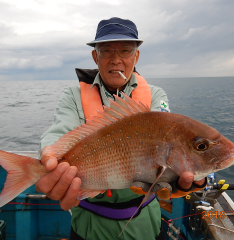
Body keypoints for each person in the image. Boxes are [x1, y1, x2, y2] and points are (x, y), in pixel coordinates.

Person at [35, 17, 206, 240]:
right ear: (95, 57)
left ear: (136, 56)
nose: (116, 60)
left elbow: (168, 137)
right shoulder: (73, 96)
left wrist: (185, 175)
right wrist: (48, 154)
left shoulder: (155, 95)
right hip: (89, 224)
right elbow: (59, 132)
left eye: (125, 50)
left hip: (144, 221)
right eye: (106, 51)